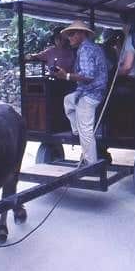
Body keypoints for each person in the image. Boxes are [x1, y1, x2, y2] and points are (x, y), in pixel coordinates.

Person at [52, 20, 108, 164]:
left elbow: (88, 76)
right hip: (89, 91)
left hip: (91, 94)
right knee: (68, 101)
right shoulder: (91, 48)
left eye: (72, 34)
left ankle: (90, 163)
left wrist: (67, 76)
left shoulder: (86, 50)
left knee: (86, 132)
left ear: (82, 34)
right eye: (68, 35)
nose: (69, 38)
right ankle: (76, 130)